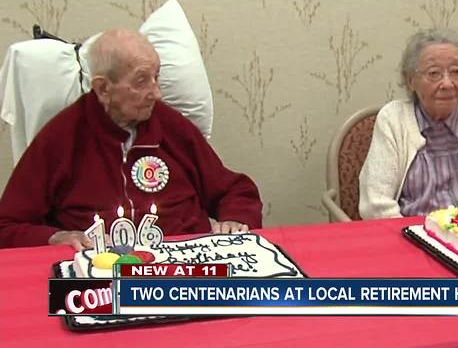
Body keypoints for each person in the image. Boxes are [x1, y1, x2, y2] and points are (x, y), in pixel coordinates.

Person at [0, 28, 262, 250]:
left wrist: (234, 219)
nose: (156, 93)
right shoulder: (61, 138)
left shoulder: (171, 126)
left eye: (156, 78)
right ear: (103, 88)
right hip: (101, 275)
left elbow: (235, 190)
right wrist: (56, 237)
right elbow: (7, 225)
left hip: (184, 266)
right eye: (141, 81)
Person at [359, 27, 458, 219]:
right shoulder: (393, 119)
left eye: (456, 72)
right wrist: (413, 239)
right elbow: (375, 204)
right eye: (434, 73)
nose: (447, 84)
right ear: (411, 80)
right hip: (412, 237)